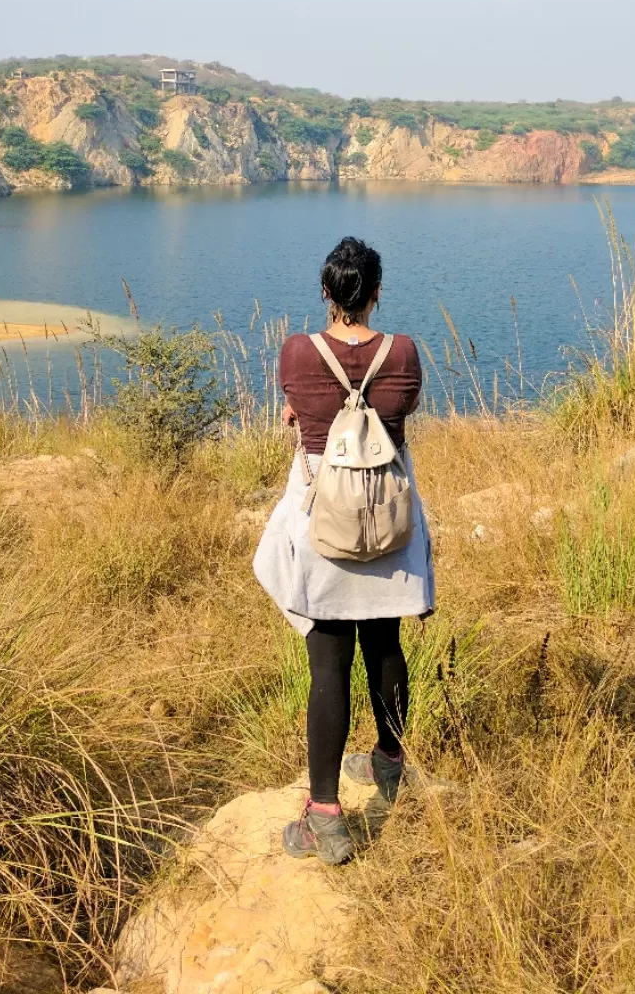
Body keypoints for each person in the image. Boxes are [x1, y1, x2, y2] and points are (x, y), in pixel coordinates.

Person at [253, 236, 434, 865]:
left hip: (324, 526)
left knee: (327, 665)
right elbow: (398, 407)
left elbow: (305, 412)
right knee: (386, 645)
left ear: (326, 293)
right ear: (376, 291)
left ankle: (325, 817)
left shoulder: (298, 354)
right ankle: (389, 761)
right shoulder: (404, 352)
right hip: (385, 521)